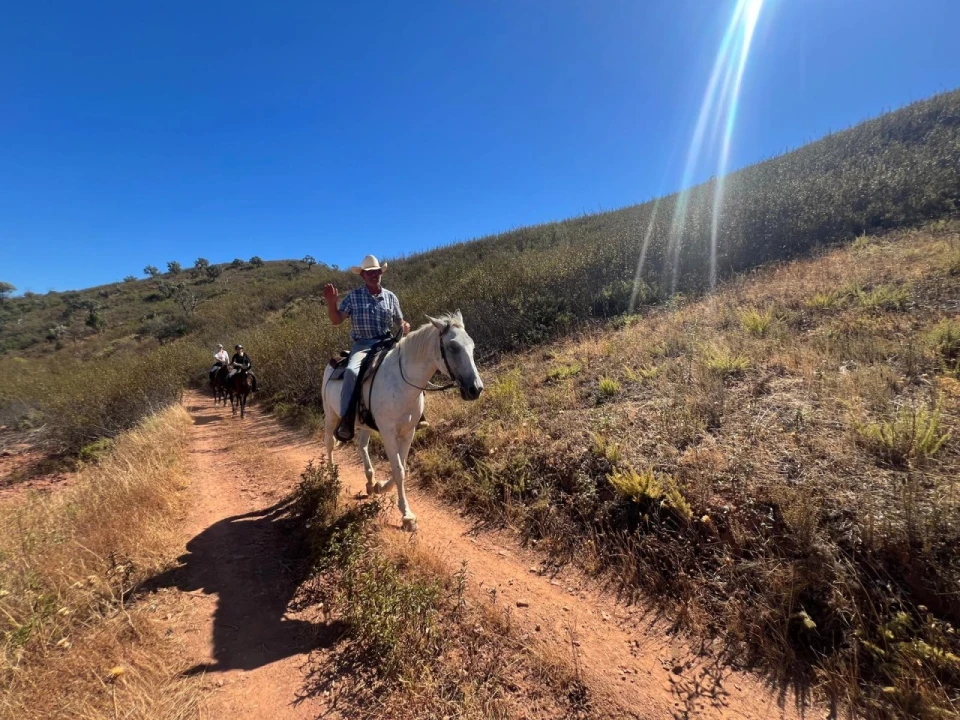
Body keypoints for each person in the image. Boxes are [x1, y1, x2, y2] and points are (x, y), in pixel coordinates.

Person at [323, 254, 417, 442]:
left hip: (387, 342)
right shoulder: (354, 297)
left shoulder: (391, 297)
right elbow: (336, 320)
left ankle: (417, 415)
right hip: (363, 345)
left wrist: (404, 325)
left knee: (412, 364)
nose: (373, 275)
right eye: (369, 273)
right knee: (351, 371)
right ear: (363, 275)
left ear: (381, 273)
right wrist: (332, 303)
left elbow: (400, 320)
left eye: (376, 272)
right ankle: (347, 419)